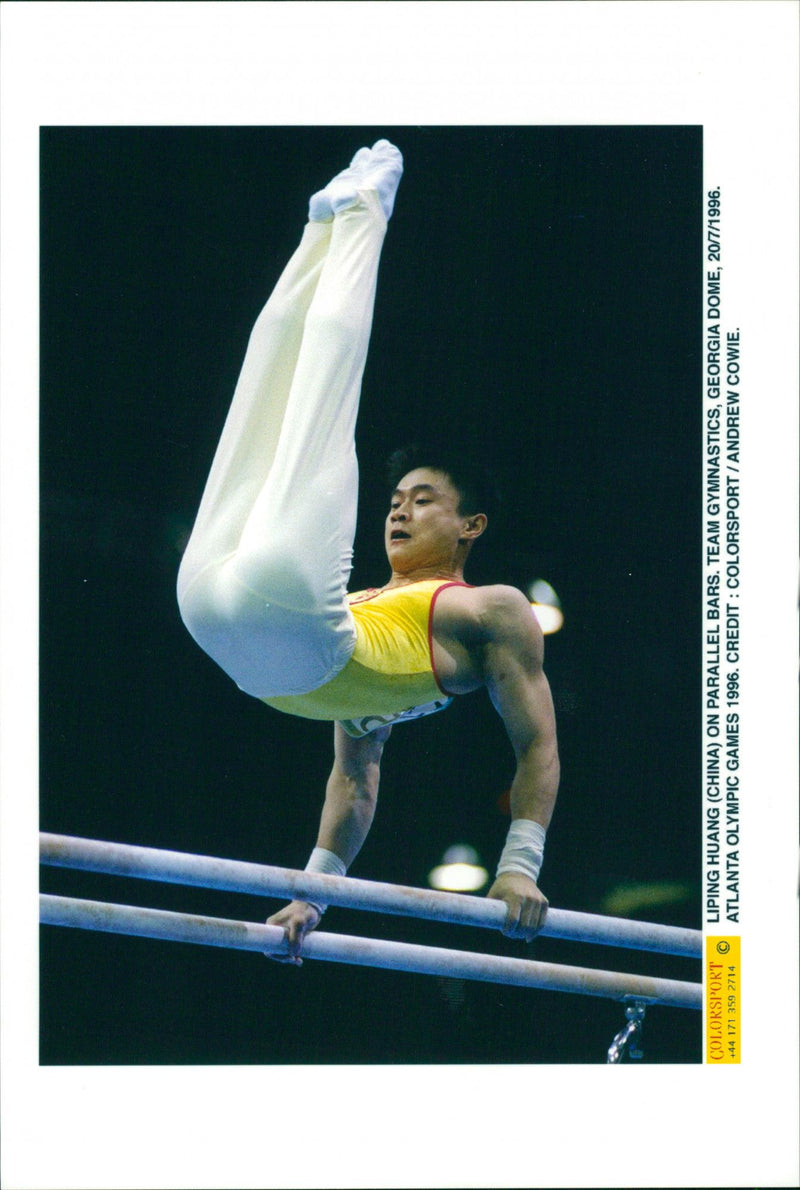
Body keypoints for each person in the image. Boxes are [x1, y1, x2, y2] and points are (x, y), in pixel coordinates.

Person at [177, 140, 560, 960]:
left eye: (424, 499)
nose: (399, 508)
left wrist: (518, 868)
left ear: (472, 527)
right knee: (271, 397)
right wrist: (317, 893)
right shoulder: (349, 608)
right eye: (396, 498)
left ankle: (359, 216)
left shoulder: (487, 609)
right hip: (266, 631)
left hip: (227, 623)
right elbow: (355, 778)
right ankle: (329, 225)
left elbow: (535, 745)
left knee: (309, 405)